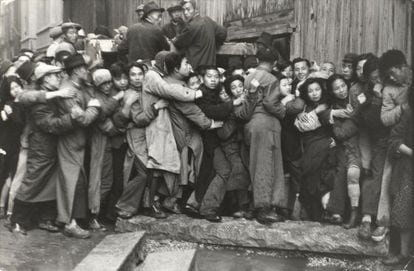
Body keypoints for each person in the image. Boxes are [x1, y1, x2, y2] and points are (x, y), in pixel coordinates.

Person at [8, 64, 75, 235]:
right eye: (55, 76)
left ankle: (44, 219)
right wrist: (71, 118)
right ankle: (17, 221)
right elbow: (49, 124)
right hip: (41, 147)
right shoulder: (39, 100)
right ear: (45, 79)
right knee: (33, 181)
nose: (59, 78)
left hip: (49, 146)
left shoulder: (51, 95)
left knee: (50, 182)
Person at [163, 52, 222, 214]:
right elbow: (192, 111)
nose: (190, 66)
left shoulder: (174, 83)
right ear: (176, 69)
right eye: (186, 63)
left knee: (187, 169)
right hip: (184, 135)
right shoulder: (177, 89)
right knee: (189, 169)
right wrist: (210, 123)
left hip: (181, 133)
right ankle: (177, 201)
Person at [56, 54, 101, 238]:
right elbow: (82, 119)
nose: (87, 71)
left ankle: (76, 219)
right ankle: (69, 223)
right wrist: (94, 107)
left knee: (78, 182)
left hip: (78, 142)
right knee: (71, 182)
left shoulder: (78, 85)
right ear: (75, 71)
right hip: (70, 143)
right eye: (84, 69)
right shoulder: (68, 90)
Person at [242, 48, 287, 224]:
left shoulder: (248, 77)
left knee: (255, 163)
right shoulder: (272, 79)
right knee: (267, 165)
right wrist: (283, 111)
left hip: (252, 123)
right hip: (267, 123)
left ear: (258, 60)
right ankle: (264, 208)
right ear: (275, 63)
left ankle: (255, 205)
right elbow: (270, 102)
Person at [352, 56, 389, 241]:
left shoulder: (392, 87)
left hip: (392, 140)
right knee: (370, 175)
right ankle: (366, 219)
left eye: (380, 77)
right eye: (374, 78)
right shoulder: (365, 94)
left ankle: (378, 221)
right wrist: (375, 96)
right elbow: (370, 122)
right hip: (374, 140)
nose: (378, 81)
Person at [323, 74, 361, 228]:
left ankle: (340, 211)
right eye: (336, 88)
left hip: (360, 144)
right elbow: (336, 132)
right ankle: (336, 211)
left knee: (348, 169)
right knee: (340, 169)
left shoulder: (355, 99)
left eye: (343, 86)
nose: (341, 91)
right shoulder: (334, 108)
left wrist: (350, 120)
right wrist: (334, 114)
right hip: (343, 146)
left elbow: (341, 131)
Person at [297, 78, 337, 221]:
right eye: (310, 91)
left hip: (327, 145)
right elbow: (304, 126)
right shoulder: (303, 107)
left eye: (317, 89)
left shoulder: (329, 104)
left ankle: (327, 210)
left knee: (325, 174)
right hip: (311, 145)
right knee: (311, 175)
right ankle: (315, 213)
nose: (314, 93)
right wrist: (315, 111)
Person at [383, 94, 413, 266]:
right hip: (409, 168)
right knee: (404, 208)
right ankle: (403, 254)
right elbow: (394, 140)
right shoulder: (409, 114)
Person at [174, 0, 227, 69]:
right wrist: (214, 44)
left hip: (195, 67)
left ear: (196, 9)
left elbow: (177, 43)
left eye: (188, 9)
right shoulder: (208, 20)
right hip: (210, 66)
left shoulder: (191, 27)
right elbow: (223, 33)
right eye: (183, 10)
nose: (185, 13)